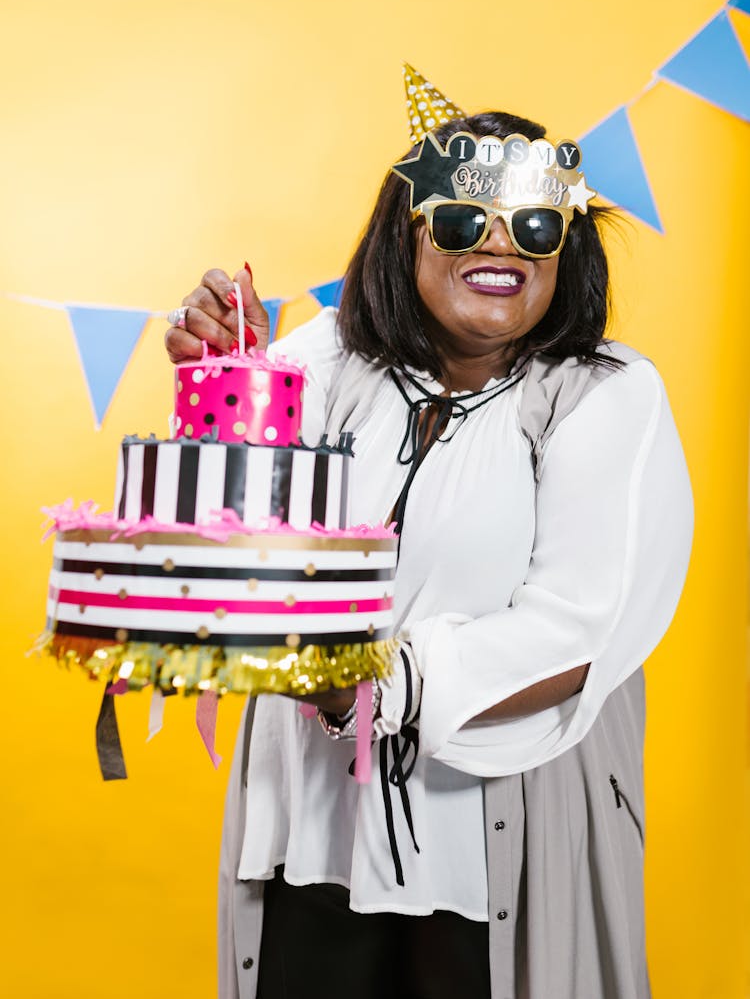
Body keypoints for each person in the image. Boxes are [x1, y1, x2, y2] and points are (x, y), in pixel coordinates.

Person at [164, 76, 693, 999]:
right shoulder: (323, 362)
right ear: (406, 235)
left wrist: (369, 680)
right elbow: (231, 536)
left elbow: (578, 626)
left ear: (564, 251)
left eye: (535, 225)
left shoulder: (604, 392)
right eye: (462, 219)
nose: (500, 242)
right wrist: (226, 381)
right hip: (314, 836)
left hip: (494, 847)